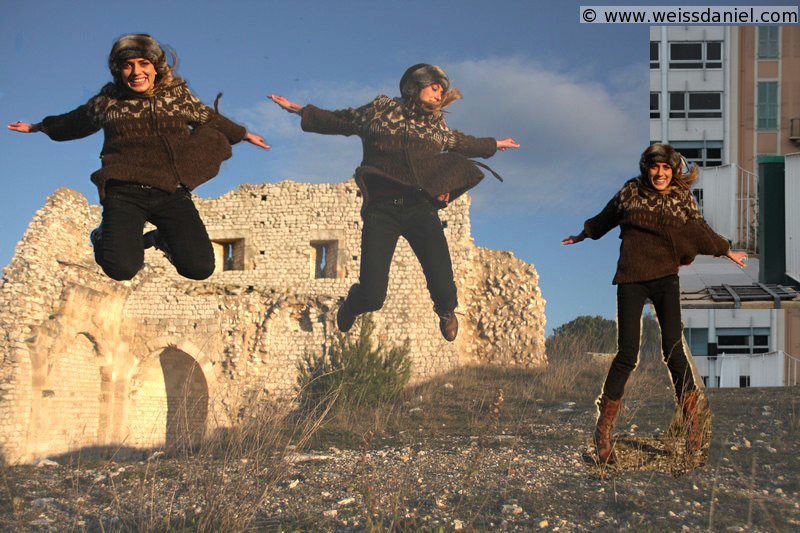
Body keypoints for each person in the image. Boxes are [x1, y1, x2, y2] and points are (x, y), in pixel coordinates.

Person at [270, 63, 519, 341]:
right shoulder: (378, 111)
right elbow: (340, 120)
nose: (439, 95)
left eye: (442, 91)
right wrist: (300, 110)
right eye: (434, 88)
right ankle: (353, 303)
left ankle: (447, 311)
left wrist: (494, 144)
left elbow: (462, 142)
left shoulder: (436, 125)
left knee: (444, 284)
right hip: (382, 210)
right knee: (373, 295)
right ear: (416, 85)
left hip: (419, 206)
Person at [8, 34, 269, 281]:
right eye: (127, 66)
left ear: (156, 67)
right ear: (118, 70)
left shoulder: (178, 96)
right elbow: (75, 120)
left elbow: (208, 117)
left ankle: (160, 238)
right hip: (124, 190)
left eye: (143, 63)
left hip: (170, 191)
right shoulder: (108, 101)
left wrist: (244, 134)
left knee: (199, 268)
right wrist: (39, 126)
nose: (136, 72)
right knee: (121, 268)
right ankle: (101, 238)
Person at [562, 143, 748, 463]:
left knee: (673, 349)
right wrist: (584, 234)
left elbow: (700, 230)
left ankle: (692, 426)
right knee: (627, 353)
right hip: (631, 278)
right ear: (646, 167)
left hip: (665, 278)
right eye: (654, 167)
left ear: (673, 170)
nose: (659, 174)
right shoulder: (630, 192)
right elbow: (606, 217)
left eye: (665, 168)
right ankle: (603, 430)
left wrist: (726, 250)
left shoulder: (681, 198)